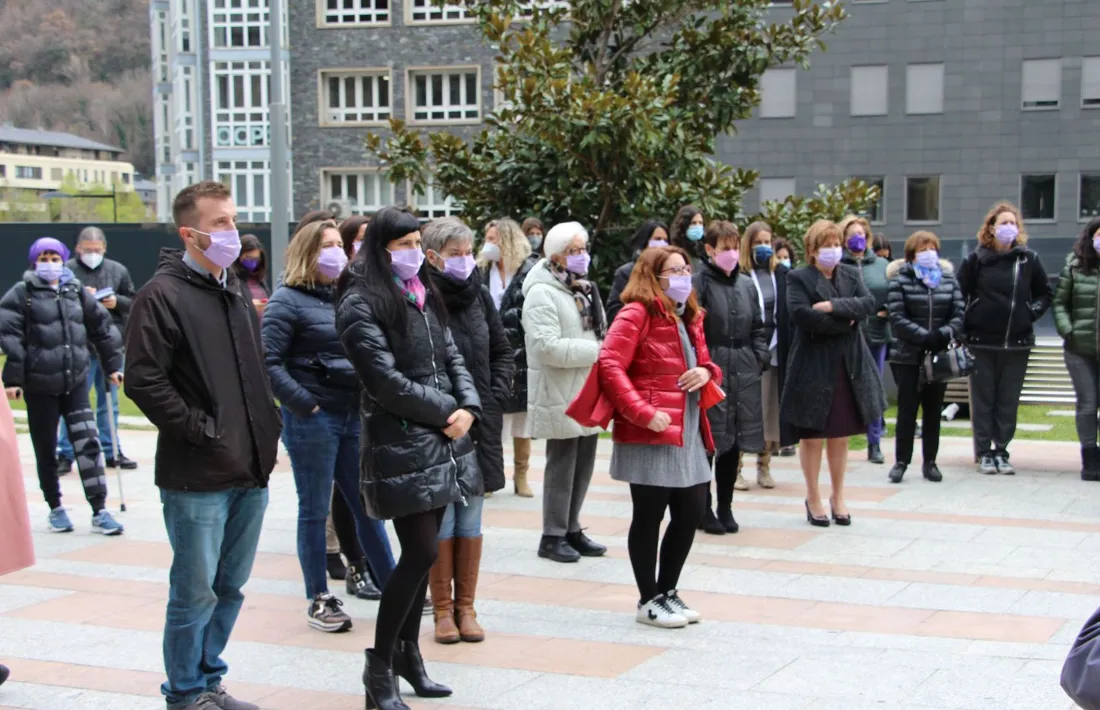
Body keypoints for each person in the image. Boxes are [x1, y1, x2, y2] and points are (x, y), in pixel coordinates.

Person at [124, 181, 283, 710]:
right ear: (189, 233)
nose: (232, 232)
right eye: (220, 224)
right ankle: (185, 691)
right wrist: (201, 429)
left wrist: (268, 429)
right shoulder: (161, 295)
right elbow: (144, 380)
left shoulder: (234, 286)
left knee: (230, 587)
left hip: (249, 467)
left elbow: (253, 372)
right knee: (195, 592)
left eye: (233, 221)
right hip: (197, 473)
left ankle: (209, 679)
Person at [336, 206, 482, 710]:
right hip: (401, 439)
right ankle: (379, 668)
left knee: (423, 554)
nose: (414, 253)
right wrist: (447, 412)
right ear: (380, 249)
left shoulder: (422, 294)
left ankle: (408, 658)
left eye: (418, 243)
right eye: (403, 245)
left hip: (442, 439)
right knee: (420, 552)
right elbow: (383, 381)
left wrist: (469, 406)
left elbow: (452, 355)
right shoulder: (360, 302)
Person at [261, 219, 397, 633]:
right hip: (313, 421)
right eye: (328, 245)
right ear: (308, 251)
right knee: (315, 507)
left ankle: (394, 584)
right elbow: (268, 363)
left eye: (341, 244)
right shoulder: (286, 301)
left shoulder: (350, 296)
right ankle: (319, 596)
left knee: (367, 506)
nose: (338, 252)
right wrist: (306, 404)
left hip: (353, 414)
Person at [597, 245, 720, 627]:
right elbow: (609, 363)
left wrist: (707, 373)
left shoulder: (689, 315)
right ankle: (648, 598)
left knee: (691, 511)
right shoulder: (636, 312)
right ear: (654, 276)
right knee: (649, 515)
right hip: (650, 430)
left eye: (686, 269)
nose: (684, 277)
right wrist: (641, 412)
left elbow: (704, 362)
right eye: (674, 271)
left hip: (688, 429)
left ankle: (668, 591)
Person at [423, 217, 515, 645]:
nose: (464, 261)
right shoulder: (419, 296)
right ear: (432, 257)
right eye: (455, 254)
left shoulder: (479, 295)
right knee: (442, 515)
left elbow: (501, 350)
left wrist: (491, 397)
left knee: (472, 514)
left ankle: (467, 608)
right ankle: (442, 611)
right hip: (439, 423)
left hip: (480, 419)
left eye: (467, 252)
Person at [0, 237, 125, 536]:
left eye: (55, 258)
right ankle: (55, 507)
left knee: (88, 444)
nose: (50, 264)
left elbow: (102, 328)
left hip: (76, 381)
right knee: (45, 449)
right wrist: (13, 379)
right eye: (44, 258)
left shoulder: (76, 290)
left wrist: (112, 366)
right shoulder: (22, 292)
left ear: (64, 260)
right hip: (40, 386)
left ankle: (99, 509)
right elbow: (10, 335)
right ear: (34, 261)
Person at [783, 220, 886, 527]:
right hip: (813, 365)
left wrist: (831, 306)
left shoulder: (852, 274)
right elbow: (801, 315)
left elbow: (868, 303)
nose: (832, 251)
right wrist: (845, 320)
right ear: (812, 250)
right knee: (813, 435)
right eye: (825, 245)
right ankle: (813, 496)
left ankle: (838, 495)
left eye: (836, 244)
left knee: (840, 435)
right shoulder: (797, 277)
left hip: (848, 363)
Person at [523, 221, 607, 563]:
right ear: (555, 254)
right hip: (558, 389)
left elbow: (599, 330)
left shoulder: (584, 287)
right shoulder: (542, 291)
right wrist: (598, 351)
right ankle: (552, 534)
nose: (582, 256)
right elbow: (546, 347)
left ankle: (572, 527)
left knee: (584, 461)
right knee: (562, 463)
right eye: (574, 251)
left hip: (585, 386)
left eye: (583, 249)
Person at [958, 201, 1053, 475]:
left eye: (1013, 223)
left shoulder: (1028, 259)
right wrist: (964, 326)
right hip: (981, 343)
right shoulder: (975, 260)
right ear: (991, 227)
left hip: (1017, 343)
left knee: (1008, 400)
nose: (1009, 228)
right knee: (983, 399)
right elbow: (958, 295)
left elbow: (1044, 294)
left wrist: (1029, 314)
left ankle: (1001, 450)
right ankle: (984, 452)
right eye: (1004, 223)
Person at [693, 222, 767, 535]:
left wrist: (759, 357)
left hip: (744, 369)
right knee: (710, 440)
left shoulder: (748, 284)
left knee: (733, 441)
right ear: (710, 250)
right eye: (725, 248)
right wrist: (705, 364)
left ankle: (726, 506)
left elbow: (759, 327)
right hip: (712, 369)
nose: (732, 254)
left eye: (735, 247)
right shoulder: (699, 281)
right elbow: (693, 327)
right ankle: (703, 508)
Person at [885, 231, 965, 484]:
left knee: (933, 410)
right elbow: (896, 318)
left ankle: (930, 462)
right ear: (912, 254)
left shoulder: (949, 280)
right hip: (908, 355)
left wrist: (942, 334)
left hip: (938, 355)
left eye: (932, 248)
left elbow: (958, 313)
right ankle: (901, 461)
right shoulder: (900, 281)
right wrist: (923, 336)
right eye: (923, 249)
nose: (929, 253)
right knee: (907, 410)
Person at [57, 226, 138, 472]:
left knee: (109, 402)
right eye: (88, 250)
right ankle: (66, 452)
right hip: (77, 345)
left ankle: (111, 450)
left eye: (97, 250)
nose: (92, 254)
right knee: (72, 402)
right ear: (78, 248)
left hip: (110, 345)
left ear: (104, 248)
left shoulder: (118, 270)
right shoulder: (67, 271)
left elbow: (133, 302)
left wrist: (116, 302)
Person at [839, 215, 891, 465]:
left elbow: (892, 291)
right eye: (851, 234)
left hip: (876, 334)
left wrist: (888, 309)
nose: (856, 238)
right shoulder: (838, 264)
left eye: (860, 233)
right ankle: (842, 441)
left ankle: (874, 442)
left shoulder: (881, 265)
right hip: (847, 337)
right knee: (845, 389)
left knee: (873, 388)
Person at [1053, 216, 1100, 481]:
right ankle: (1090, 458)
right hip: (1079, 349)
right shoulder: (1074, 266)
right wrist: (1067, 331)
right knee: (1087, 403)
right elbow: (1059, 303)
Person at [499, 229, 542, 499]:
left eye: (495, 239)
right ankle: (491, 472)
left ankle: (521, 474)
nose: (489, 245)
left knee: (522, 420)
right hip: (492, 351)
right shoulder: (481, 269)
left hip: (521, 352)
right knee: (494, 418)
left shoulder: (530, 271)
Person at [605, 220, 669, 322]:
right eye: (657, 239)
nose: (662, 244)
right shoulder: (625, 273)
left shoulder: (668, 272)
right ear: (645, 241)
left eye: (665, 240)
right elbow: (613, 311)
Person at [234, 234, 270, 318]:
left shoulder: (260, 280)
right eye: (248, 258)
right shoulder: (232, 279)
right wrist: (250, 306)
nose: (252, 263)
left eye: (255, 259)